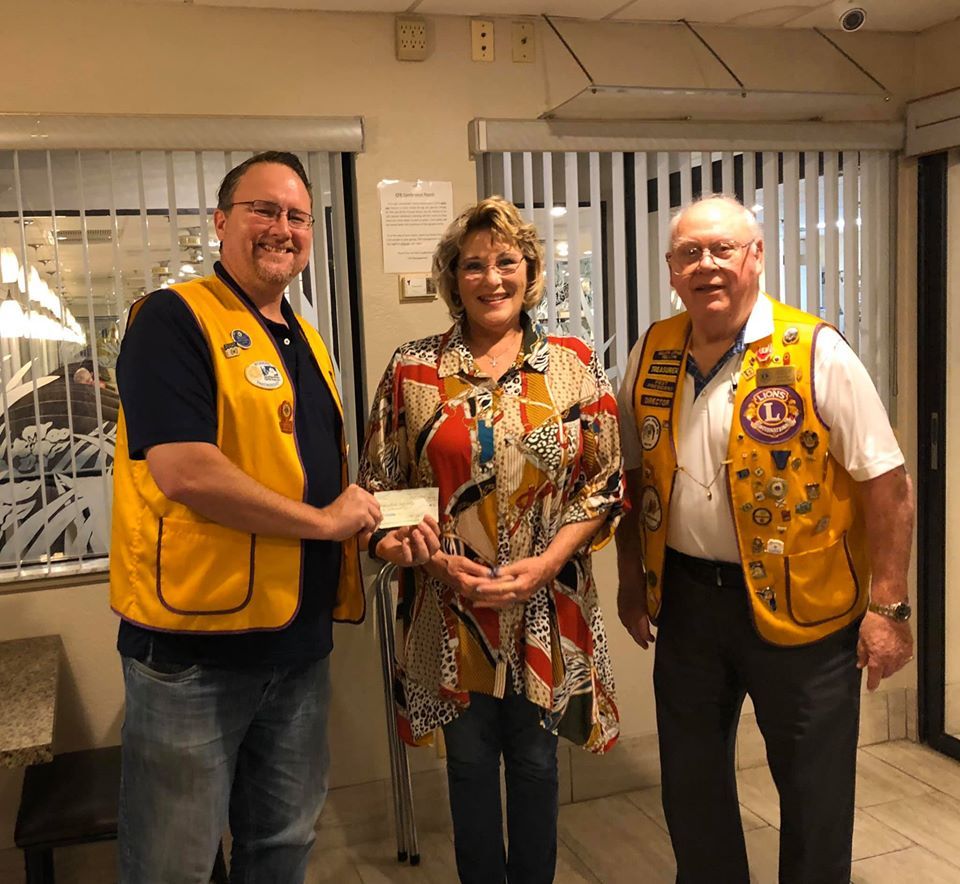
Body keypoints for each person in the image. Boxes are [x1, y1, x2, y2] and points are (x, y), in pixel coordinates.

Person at [109, 151, 439, 883]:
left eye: (296, 216)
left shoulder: (303, 334)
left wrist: (370, 523)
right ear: (221, 221)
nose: (281, 228)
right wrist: (325, 523)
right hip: (193, 651)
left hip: (293, 645)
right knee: (174, 864)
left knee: (281, 845)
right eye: (263, 209)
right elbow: (185, 470)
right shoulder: (172, 318)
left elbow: (307, 473)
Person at [615, 194, 914, 884]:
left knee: (814, 793)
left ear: (756, 257)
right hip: (689, 604)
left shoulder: (816, 351)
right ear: (670, 270)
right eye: (690, 253)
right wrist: (633, 582)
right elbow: (634, 477)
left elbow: (887, 484)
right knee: (691, 789)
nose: (707, 266)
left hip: (806, 610)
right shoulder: (652, 350)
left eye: (723, 249)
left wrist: (890, 607)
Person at [359, 196, 624, 884]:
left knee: (537, 766)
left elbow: (604, 484)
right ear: (453, 279)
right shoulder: (413, 370)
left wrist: (547, 563)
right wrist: (428, 556)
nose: (491, 278)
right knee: (471, 770)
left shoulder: (571, 364)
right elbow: (382, 489)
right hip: (450, 611)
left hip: (544, 606)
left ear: (530, 269)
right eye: (473, 265)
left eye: (506, 261)